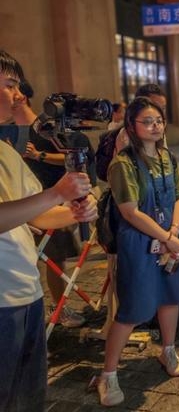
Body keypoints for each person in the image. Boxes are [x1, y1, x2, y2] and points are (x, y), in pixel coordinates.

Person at [0, 49, 97, 411]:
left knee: (28, 400)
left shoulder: (6, 152)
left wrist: (74, 210)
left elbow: (38, 216)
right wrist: (57, 193)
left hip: (27, 294)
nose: (19, 94)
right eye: (10, 84)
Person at [94, 97, 179, 407]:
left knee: (171, 296)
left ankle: (168, 349)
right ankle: (108, 374)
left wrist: (173, 233)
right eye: (147, 122)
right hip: (139, 244)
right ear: (131, 126)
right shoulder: (122, 164)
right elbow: (130, 211)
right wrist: (167, 237)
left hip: (171, 239)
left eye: (159, 121)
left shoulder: (167, 157)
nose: (155, 126)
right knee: (131, 310)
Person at [13, 84, 96, 329]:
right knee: (46, 258)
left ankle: (58, 307)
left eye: (15, 88)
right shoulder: (15, 133)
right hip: (33, 204)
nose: (14, 96)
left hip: (54, 203)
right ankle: (57, 308)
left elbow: (76, 155)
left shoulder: (47, 128)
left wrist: (40, 156)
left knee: (56, 257)